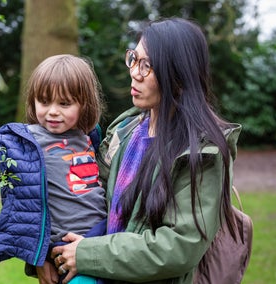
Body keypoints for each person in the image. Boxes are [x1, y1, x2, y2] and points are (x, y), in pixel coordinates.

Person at [50, 18, 242, 284]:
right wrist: (48, 256)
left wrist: (88, 255)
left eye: (147, 65)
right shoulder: (124, 130)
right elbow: (84, 198)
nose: (135, 73)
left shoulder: (203, 152)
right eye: (134, 59)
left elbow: (179, 247)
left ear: (178, 76)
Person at [0, 54, 108, 284]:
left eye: (64, 103)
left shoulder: (89, 136)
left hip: (101, 237)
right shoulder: (22, 141)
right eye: (45, 101)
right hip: (63, 246)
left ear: (85, 104)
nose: (52, 111)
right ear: (33, 101)